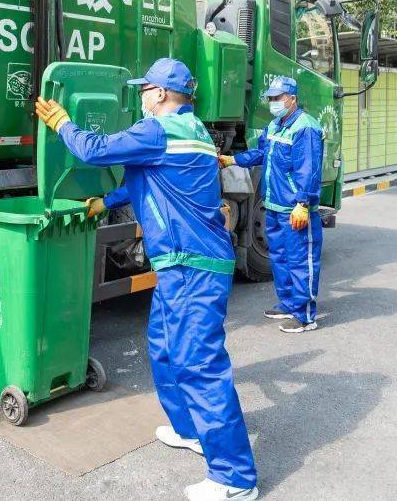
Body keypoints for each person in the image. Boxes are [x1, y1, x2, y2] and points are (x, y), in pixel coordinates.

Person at [35, 58, 258, 501]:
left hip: (194, 266)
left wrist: (63, 124)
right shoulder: (190, 129)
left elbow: (94, 150)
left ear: (159, 94)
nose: (139, 98)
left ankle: (236, 478)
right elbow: (150, 177)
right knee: (162, 346)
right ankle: (192, 430)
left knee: (199, 364)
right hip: (181, 265)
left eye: (143, 91)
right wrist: (108, 200)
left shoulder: (158, 130)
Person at [218, 76, 323, 334]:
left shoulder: (305, 128)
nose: (273, 102)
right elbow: (260, 154)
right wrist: (233, 160)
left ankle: (305, 315)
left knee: (300, 260)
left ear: (292, 99)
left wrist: (304, 203)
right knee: (280, 257)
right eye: (271, 98)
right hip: (274, 206)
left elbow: (308, 170)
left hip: (294, 208)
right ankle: (288, 304)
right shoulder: (275, 126)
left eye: (278, 98)